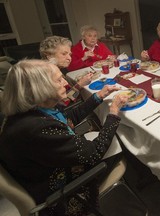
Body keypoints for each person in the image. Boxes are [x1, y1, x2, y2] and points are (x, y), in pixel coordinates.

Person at [0, 59, 129, 215]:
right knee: (120, 144)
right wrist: (114, 112)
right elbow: (93, 154)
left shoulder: (34, 111)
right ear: (39, 88)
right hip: (59, 191)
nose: (65, 84)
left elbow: (67, 119)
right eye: (58, 80)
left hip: (43, 172)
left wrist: (99, 96)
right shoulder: (37, 128)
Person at [39, 36, 93, 107]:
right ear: (49, 56)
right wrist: (80, 84)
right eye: (64, 54)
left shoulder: (54, 69)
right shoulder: (47, 76)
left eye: (69, 54)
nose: (69, 58)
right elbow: (64, 102)